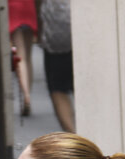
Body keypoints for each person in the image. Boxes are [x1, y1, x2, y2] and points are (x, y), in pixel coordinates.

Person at [39, 0, 74, 132]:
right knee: (89, 87)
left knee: (58, 89)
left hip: (57, 31)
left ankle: (75, 138)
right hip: (90, 27)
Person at [8, 0, 36, 117]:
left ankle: (26, 96)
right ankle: (28, 93)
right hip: (28, 7)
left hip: (13, 8)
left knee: (21, 56)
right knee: (28, 58)